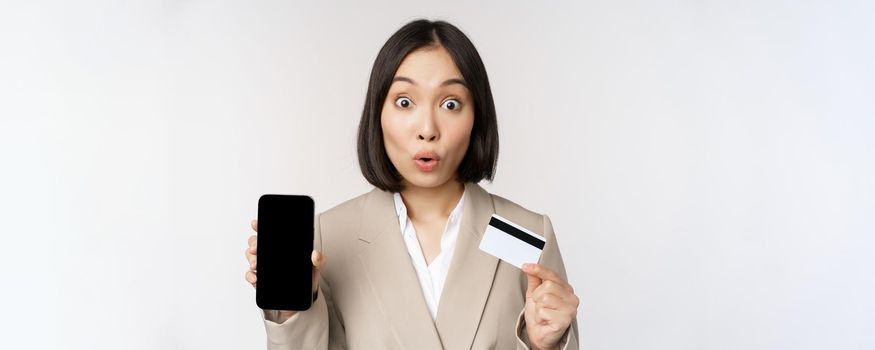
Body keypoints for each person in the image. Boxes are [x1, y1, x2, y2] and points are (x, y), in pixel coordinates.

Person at [244, 19, 580, 350]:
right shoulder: (329, 238)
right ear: (378, 112)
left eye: (451, 104)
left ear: (477, 116)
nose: (427, 129)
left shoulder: (528, 236)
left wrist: (543, 346)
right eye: (405, 102)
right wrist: (290, 313)